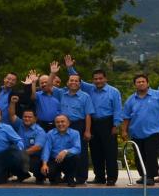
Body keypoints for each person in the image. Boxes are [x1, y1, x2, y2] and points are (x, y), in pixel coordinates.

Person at [65, 57, 122, 186]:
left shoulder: (113, 91)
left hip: (108, 123)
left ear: (105, 79)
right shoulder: (90, 89)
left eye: (100, 78)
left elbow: (118, 109)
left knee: (110, 152)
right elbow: (76, 80)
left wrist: (116, 125)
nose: (98, 81)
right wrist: (70, 68)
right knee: (96, 151)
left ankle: (111, 177)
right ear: (93, 80)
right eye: (95, 79)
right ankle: (99, 177)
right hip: (93, 123)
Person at [121, 74, 159, 186]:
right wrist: (124, 130)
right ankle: (143, 175)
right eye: (138, 82)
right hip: (136, 132)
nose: (141, 83)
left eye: (143, 81)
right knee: (139, 155)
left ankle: (150, 176)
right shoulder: (131, 99)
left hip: (154, 131)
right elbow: (126, 117)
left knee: (151, 153)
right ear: (135, 85)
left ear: (148, 83)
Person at [57, 72, 93, 184]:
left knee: (81, 151)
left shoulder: (85, 96)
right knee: (65, 150)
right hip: (63, 125)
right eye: (71, 80)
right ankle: (68, 176)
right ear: (67, 83)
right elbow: (48, 87)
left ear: (80, 83)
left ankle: (81, 177)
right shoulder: (62, 94)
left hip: (79, 125)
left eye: (76, 81)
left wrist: (87, 131)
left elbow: (88, 115)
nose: (73, 82)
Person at [8, 99, 48, 184]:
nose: (27, 118)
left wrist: (21, 154)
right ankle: (22, 175)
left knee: (18, 157)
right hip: (22, 155)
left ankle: (40, 177)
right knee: (9, 154)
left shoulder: (40, 131)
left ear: (35, 119)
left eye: (29, 117)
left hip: (35, 158)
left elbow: (37, 147)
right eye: (25, 117)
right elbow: (12, 115)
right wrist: (12, 103)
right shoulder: (20, 124)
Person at [0, 108, 25, 185]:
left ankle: (20, 173)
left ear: (1, 117)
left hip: (6, 155)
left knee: (15, 151)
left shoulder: (6, 127)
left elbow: (19, 141)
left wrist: (19, 151)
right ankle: (5, 174)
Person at [41, 114, 81, 187]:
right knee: (51, 177)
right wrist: (44, 164)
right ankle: (56, 177)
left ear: (68, 123)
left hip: (68, 160)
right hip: (54, 160)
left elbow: (77, 148)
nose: (60, 124)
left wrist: (66, 151)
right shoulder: (50, 134)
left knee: (76, 158)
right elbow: (46, 150)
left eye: (62, 121)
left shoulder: (75, 133)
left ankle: (70, 178)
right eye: (57, 122)